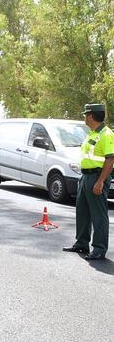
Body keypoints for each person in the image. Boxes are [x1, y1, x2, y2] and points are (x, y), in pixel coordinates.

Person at [63, 103, 114, 260]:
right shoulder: (92, 133)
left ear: (91, 116)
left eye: (86, 114)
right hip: (85, 176)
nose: (84, 117)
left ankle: (99, 248)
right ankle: (82, 244)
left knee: (98, 215)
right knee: (82, 212)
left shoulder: (106, 134)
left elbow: (110, 159)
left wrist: (100, 182)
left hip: (97, 177)